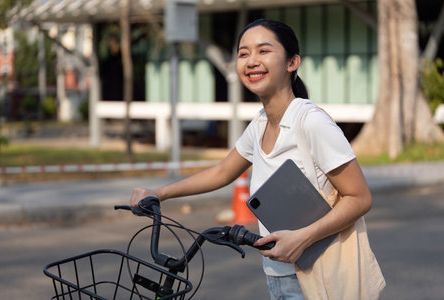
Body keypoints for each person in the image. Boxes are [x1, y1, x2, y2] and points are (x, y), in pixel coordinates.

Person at [130, 19, 382, 300]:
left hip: (319, 275)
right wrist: (159, 193)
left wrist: (302, 238)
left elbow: (360, 198)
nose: (251, 61)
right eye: (243, 53)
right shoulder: (260, 124)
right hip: (278, 273)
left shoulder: (311, 122)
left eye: (264, 51)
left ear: (292, 62)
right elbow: (223, 172)